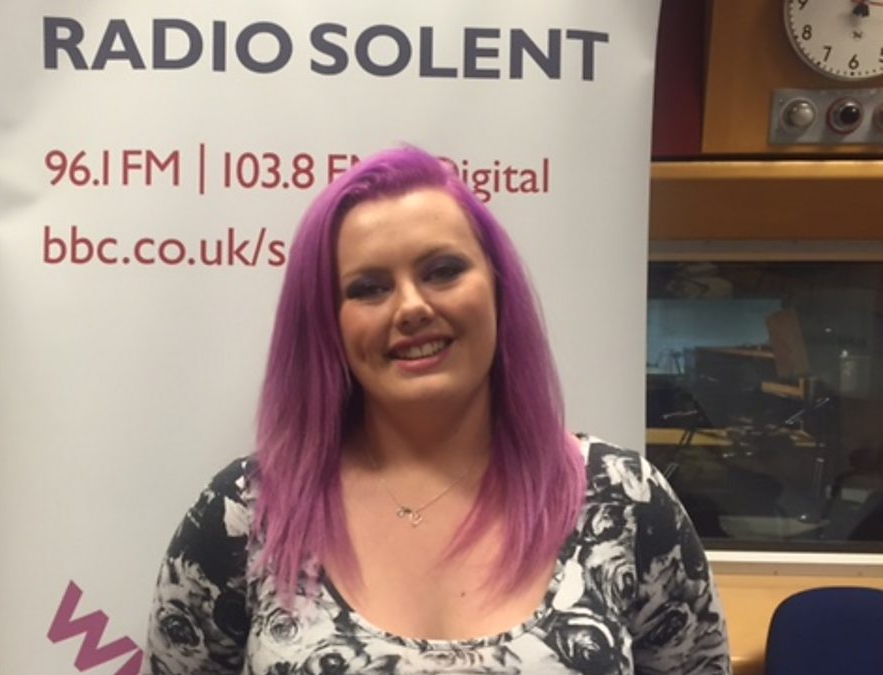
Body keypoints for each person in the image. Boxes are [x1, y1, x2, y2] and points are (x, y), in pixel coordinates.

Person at [142, 146, 730, 674]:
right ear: (327, 325)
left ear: (497, 289)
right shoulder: (247, 513)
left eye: (443, 271)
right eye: (369, 288)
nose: (412, 307)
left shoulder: (625, 501)